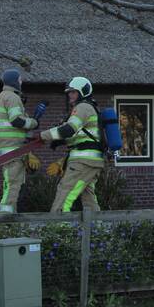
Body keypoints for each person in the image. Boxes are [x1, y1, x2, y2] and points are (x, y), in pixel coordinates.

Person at [39, 76, 104, 213]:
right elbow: (79, 135)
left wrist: (42, 135)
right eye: (69, 92)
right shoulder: (90, 108)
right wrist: (59, 141)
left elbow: (69, 129)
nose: (70, 95)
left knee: (66, 191)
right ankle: (97, 224)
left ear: (83, 92)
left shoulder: (82, 107)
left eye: (73, 92)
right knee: (87, 195)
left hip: (83, 161)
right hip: (92, 161)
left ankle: (58, 223)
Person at [0, 68, 39, 214]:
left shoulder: (1, 96)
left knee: (9, 184)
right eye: (20, 80)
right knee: (13, 185)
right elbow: (16, 120)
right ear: (14, 81)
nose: (21, 83)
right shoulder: (13, 97)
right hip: (13, 149)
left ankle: (10, 217)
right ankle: (5, 219)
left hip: (6, 149)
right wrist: (33, 123)